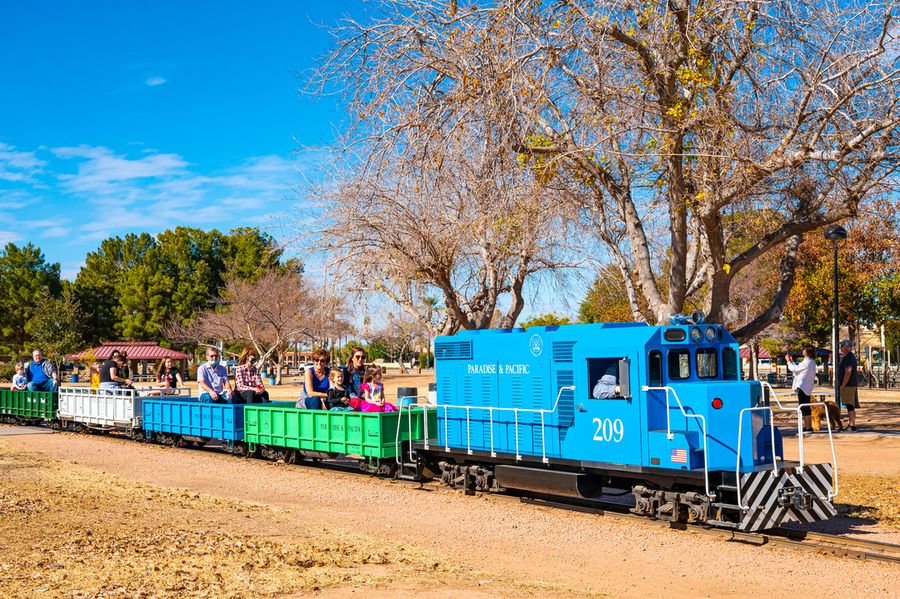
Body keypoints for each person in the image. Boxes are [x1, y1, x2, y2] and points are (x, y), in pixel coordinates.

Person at [786, 346, 817, 434]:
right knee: (805, 407)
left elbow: (794, 369)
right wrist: (791, 362)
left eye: (804, 349)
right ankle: (808, 426)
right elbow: (797, 370)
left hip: (803, 387)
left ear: (808, 351)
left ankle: (808, 428)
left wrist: (788, 362)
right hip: (805, 387)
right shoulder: (809, 362)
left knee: (804, 407)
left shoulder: (808, 362)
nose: (802, 350)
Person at [838, 339, 859, 432]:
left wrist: (843, 384)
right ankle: (851, 424)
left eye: (842, 345)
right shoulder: (847, 357)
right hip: (849, 384)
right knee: (848, 404)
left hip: (848, 385)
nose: (841, 347)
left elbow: (848, 372)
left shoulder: (849, 358)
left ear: (847, 347)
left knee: (849, 405)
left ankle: (852, 425)